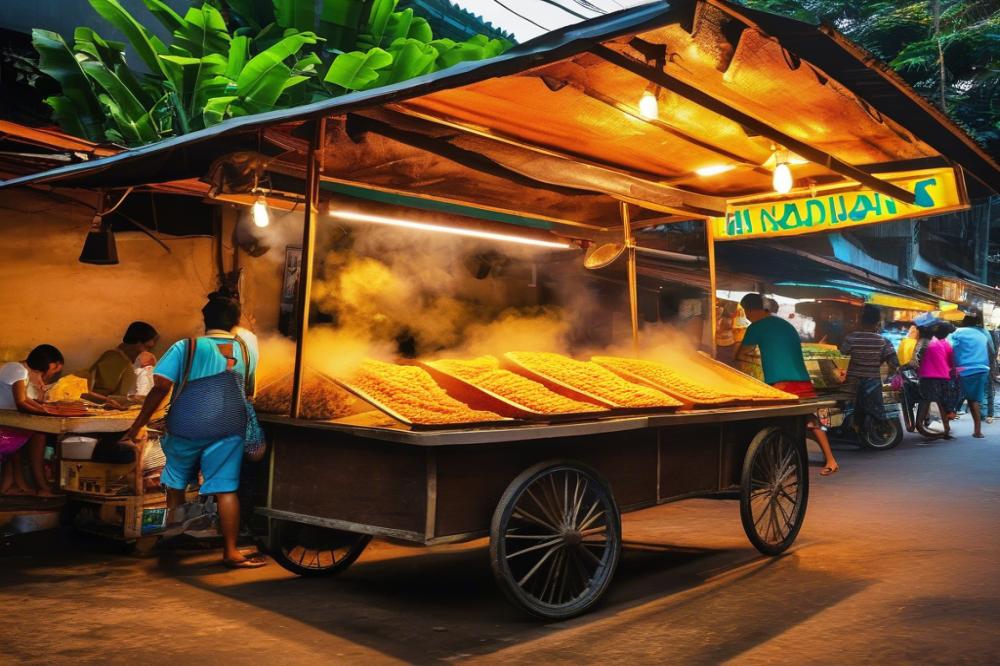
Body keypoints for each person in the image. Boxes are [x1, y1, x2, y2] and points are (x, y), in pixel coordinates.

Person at [125, 296, 263, 568]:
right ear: (235, 322)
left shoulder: (185, 347)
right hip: (227, 428)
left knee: (176, 482)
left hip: (185, 426)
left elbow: (161, 387)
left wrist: (139, 424)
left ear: (204, 319)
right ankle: (231, 551)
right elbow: (247, 392)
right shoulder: (245, 351)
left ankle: (174, 536)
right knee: (225, 489)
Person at [736, 293, 839, 476]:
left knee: (774, 424)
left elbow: (741, 354)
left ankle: (777, 465)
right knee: (811, 421)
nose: (747, 316)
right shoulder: (785, 324)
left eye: (746, 312)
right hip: (803, 379)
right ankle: (831, 459)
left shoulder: (756, 327)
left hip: (781, 383)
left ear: (750, 310)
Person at [0, 345, 64, 496]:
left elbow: (26, 398)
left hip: (6, 421)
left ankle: (16, 485)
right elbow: (21, 403)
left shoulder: (19, 369)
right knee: (39, 433)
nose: (54, 372)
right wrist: (47, 414)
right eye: (55, 368)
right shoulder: (18, 370)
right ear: (50, 364)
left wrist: (44, 409)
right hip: (3, 427)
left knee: (34, 432)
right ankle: (42, 485)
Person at [839, 306, 899, 434]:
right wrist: (889, 375)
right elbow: (894, 362)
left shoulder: (851, 338)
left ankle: (847, 429)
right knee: (876, 409)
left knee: (847, 408)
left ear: (859, 321)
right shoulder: (883, 341)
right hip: (872, 382)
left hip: (851, 383)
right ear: (877, 322)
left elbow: (841, 357)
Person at [84, 321, 160, 406]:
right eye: (146, 347)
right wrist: (114, 401)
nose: (146, 352)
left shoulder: (125, 359)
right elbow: (93, 393)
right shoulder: (114, 359)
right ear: (137, 343)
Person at [949, 312, 993, 438]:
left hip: (963, 369)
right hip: (982, 369)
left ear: (963, 322)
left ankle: (947, 424)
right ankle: (978, 431)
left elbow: (949, 348)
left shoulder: (957, 333)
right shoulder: (982, 334)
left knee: (954, 396)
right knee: (974, 400)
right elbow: (991, 350)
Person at [915, 324, 957, 440]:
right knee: (939, 403)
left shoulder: (925, 342)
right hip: (944, 377)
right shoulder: (944, 344)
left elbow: (916, 361)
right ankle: (944, 430)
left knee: (929, 402)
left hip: (928, 377)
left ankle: (925, 426)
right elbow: (951, 362)